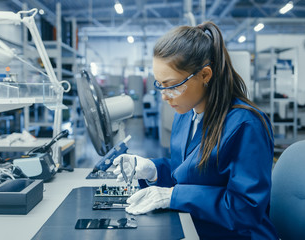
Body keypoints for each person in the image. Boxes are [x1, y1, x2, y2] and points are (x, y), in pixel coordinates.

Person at [113, 21, 278, 239]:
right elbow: (187, 174)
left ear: (205, 75)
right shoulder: (186, 115)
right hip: (196, 227)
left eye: (171, 85)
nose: (164, 95)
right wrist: (152, 169)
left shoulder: (246, 125)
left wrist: (173, 196)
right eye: (159, 84)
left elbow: (245, 208)